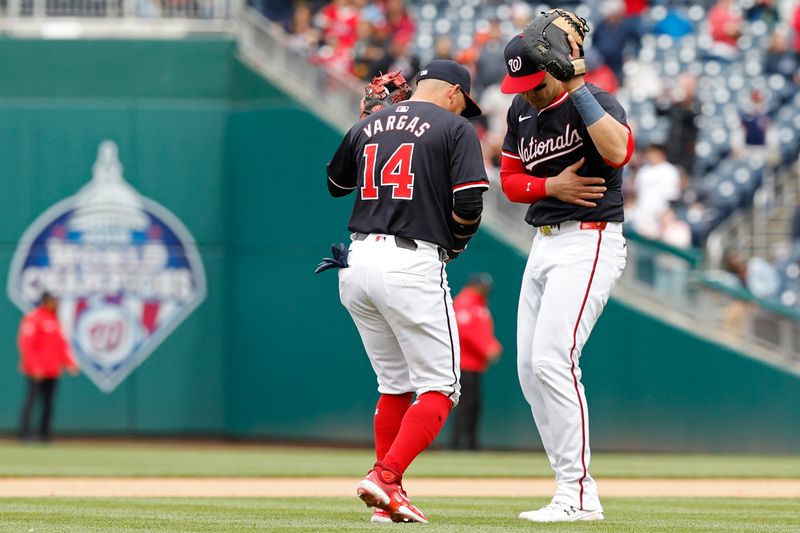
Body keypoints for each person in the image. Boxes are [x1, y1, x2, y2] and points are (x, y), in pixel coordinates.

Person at [324, 59, 489, 524]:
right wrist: (455, 244)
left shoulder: (371, 123)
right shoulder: (455, 127)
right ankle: (386, 476)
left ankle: (388, 500)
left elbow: (336, 185)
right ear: (455, 93)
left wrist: (365, 125)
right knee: (442, 386)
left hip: (355, 260)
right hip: (409, 259)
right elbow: (469, 203)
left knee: (394, 384)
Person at [498, 10, 633, 522]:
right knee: (530, 371)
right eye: (521, 82)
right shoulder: (520, 110)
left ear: (556, 66)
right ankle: (569, 489)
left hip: (590, 238)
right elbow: (510, 181)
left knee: (554, 360)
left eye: (535, 80)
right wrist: (549, 186)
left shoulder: (594, 100)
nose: (527, 90)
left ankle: (578, 495)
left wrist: (577, 86)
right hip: (544, 241)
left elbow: (619, 151)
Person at [450, 273, 502, 451]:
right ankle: (456, 446)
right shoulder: (465, 301)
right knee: (464, 406)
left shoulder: (479, 304)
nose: (485, 291)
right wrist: (487, 347)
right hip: (464, 365)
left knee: (473, 407)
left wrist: (490, 344)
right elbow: (465, 331)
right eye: (482, 287)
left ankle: (471, 445)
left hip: (475, 366)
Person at [17, 292, 79, 443]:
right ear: (46, 301)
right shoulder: (34, 318)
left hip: (52, 369)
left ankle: (44, 434)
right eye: (53, 300)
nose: (56, 303)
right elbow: (27, 345)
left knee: (48, 403)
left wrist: (69, 363)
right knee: (31, 401)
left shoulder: (54, 319)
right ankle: (24, 433)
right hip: (37, 370)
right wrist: (35, 366)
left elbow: (60, 345)